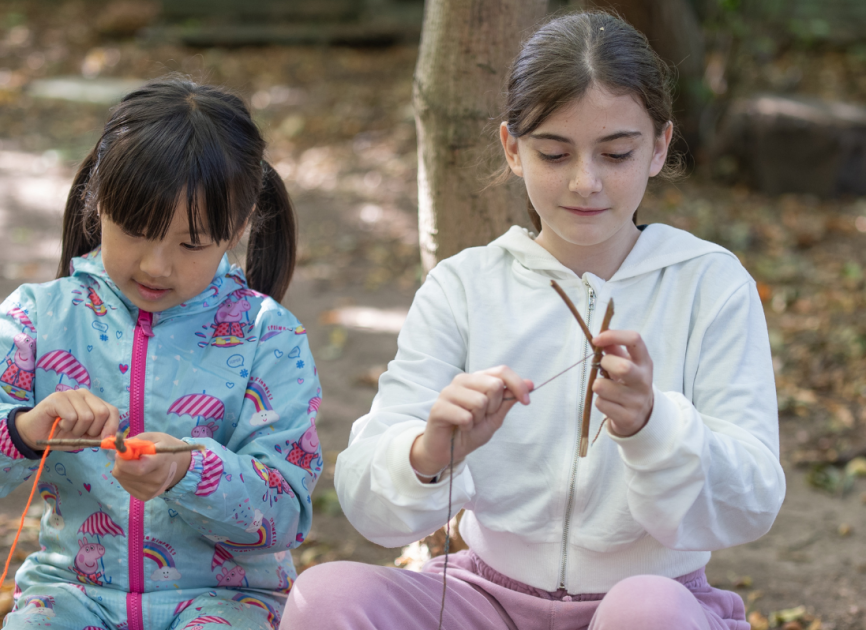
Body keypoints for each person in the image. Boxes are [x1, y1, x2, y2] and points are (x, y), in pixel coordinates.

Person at [281, 11, 782, 630]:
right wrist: (429, 451)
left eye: (616, 153)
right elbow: (369, 505)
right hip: (483, 602)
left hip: (654, 608)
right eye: (554, 153)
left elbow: (753, 500)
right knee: (325, 598)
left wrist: (653, 425)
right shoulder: (464, 286)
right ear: (512, 149)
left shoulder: (710, 285)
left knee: (645, 611)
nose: (585, 181)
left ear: (658, 147)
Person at [0, 77, 323, 630]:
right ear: (99, 203)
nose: (155, 266)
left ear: (238, 228)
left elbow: (287, 514)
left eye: (191, 243)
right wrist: (22, 430)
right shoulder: (37, 319)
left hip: (230, 601)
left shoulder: (270, 338)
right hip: (72, 595)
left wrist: (188, 470)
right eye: (135, 231)